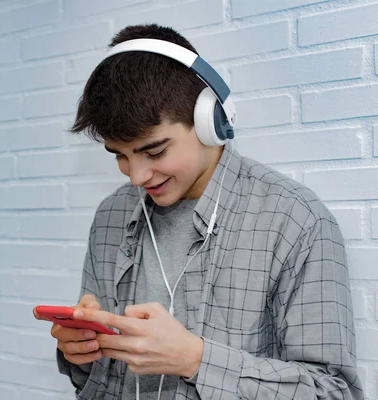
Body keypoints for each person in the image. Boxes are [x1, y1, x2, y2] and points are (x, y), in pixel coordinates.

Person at [33, 24, 363, 400]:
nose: (137, 176)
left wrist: (195, 359)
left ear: (211, 122)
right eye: (120, 157)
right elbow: (96, 381)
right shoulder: (111, 215)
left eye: (155, 152)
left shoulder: (294, 221)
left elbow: (333, 392)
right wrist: (82, 354)